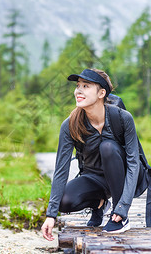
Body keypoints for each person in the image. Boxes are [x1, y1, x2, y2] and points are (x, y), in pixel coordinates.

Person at [41, 68, 141, 240]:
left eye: (86, 86)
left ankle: (119, 218)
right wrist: (51, 215)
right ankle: (99, 204)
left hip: (122, 176)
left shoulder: (123, 118)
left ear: (101, 93)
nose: (78, 90)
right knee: (64, 202)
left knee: (108, 147)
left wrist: (123, 206)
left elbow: (134, 162)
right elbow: (61, 170)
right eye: (78, 86)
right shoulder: (70, 125)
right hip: (93, 178)